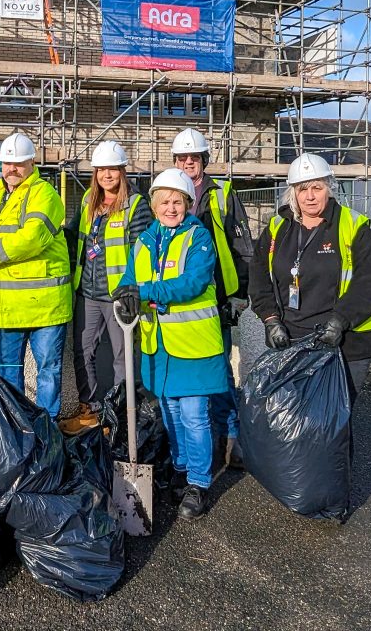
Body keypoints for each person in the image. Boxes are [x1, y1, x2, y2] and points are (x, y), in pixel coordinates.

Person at [112, 168, 228, 521]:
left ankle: (198, 482)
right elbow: (131, 278)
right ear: (155, 204)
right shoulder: (145, 240)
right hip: (158, 347)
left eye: (178, 201)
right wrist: (124, 292)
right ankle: (179, 469)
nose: (171, 207)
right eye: (165, 201)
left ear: (188, 203)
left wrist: (145, 293)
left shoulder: (199, 238)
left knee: (194, 416)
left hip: (193, 345)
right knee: (171, 413)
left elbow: (191, 283)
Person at [249, 153, 371, 405]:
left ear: (329, 189)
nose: (310, 196)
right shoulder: (277, 227)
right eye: (303, 189)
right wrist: (270, 320)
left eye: (317, 187)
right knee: (296, 419)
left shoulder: (353, 226)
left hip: (345, 341)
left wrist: (340, 321)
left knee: (333, 421)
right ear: (293, 193)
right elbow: (259, 278)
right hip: (291, 339)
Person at [0, 132, 73, 418]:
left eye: (18, 163)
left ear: (31, 162)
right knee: (8, 372)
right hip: (6, 305)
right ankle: (15, 429)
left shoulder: (44, 194)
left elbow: (31, 239)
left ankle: (46, 431)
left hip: (45, 305)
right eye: (7, 163)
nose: (12, 169)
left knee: (48, 371)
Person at [171, 128, 254, 471]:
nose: (189, 162)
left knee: (218, 370)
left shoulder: (222, 194)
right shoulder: (170, 192)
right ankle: (191, 443)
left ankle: (230, 439)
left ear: (204, 160)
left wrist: (240, 294)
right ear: (175, 161)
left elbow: (242, 246)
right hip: (179, 301)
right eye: (182, 158)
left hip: (217, 298)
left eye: (194, 157)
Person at [62, 140, 152, 435]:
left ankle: (119, 417)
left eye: (113, 169)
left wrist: (133, 290)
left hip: (118, 296)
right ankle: (91, 410)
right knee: (83, 351)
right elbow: (74, 235)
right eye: (101, 169)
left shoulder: (136, 205)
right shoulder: (89, 200)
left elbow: (143, 252)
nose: (107, 175)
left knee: (121, 358)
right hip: (87, 293)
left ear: (122, 171)